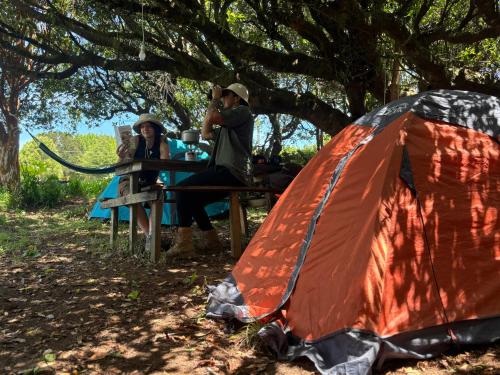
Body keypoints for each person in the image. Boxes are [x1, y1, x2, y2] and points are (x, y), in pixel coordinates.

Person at [166, 83, 253, 258]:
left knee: (182, 189)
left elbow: (213, 117)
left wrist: (214, 99)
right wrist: (215, 103)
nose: (222, 98)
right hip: (227, 172)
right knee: (192, 199)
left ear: (237, 98)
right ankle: (212, 242)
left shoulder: (243, 111)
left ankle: (184, 245)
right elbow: (205, 132)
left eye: (225, 95)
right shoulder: (228, 124)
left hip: (232, 172)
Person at [116, 114, 170, 241]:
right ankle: (150, 237)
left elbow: (165, 162)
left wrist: (163, 144)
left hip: (150, 182)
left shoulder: (161, 141)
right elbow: (122, 166)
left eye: (149, 126)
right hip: (129, 180)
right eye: (142, 126)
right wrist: (121, 156)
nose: (145, 129)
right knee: (131, 196)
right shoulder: (135, 141)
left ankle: (153, 234)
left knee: (159, 195)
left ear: (156, 128)